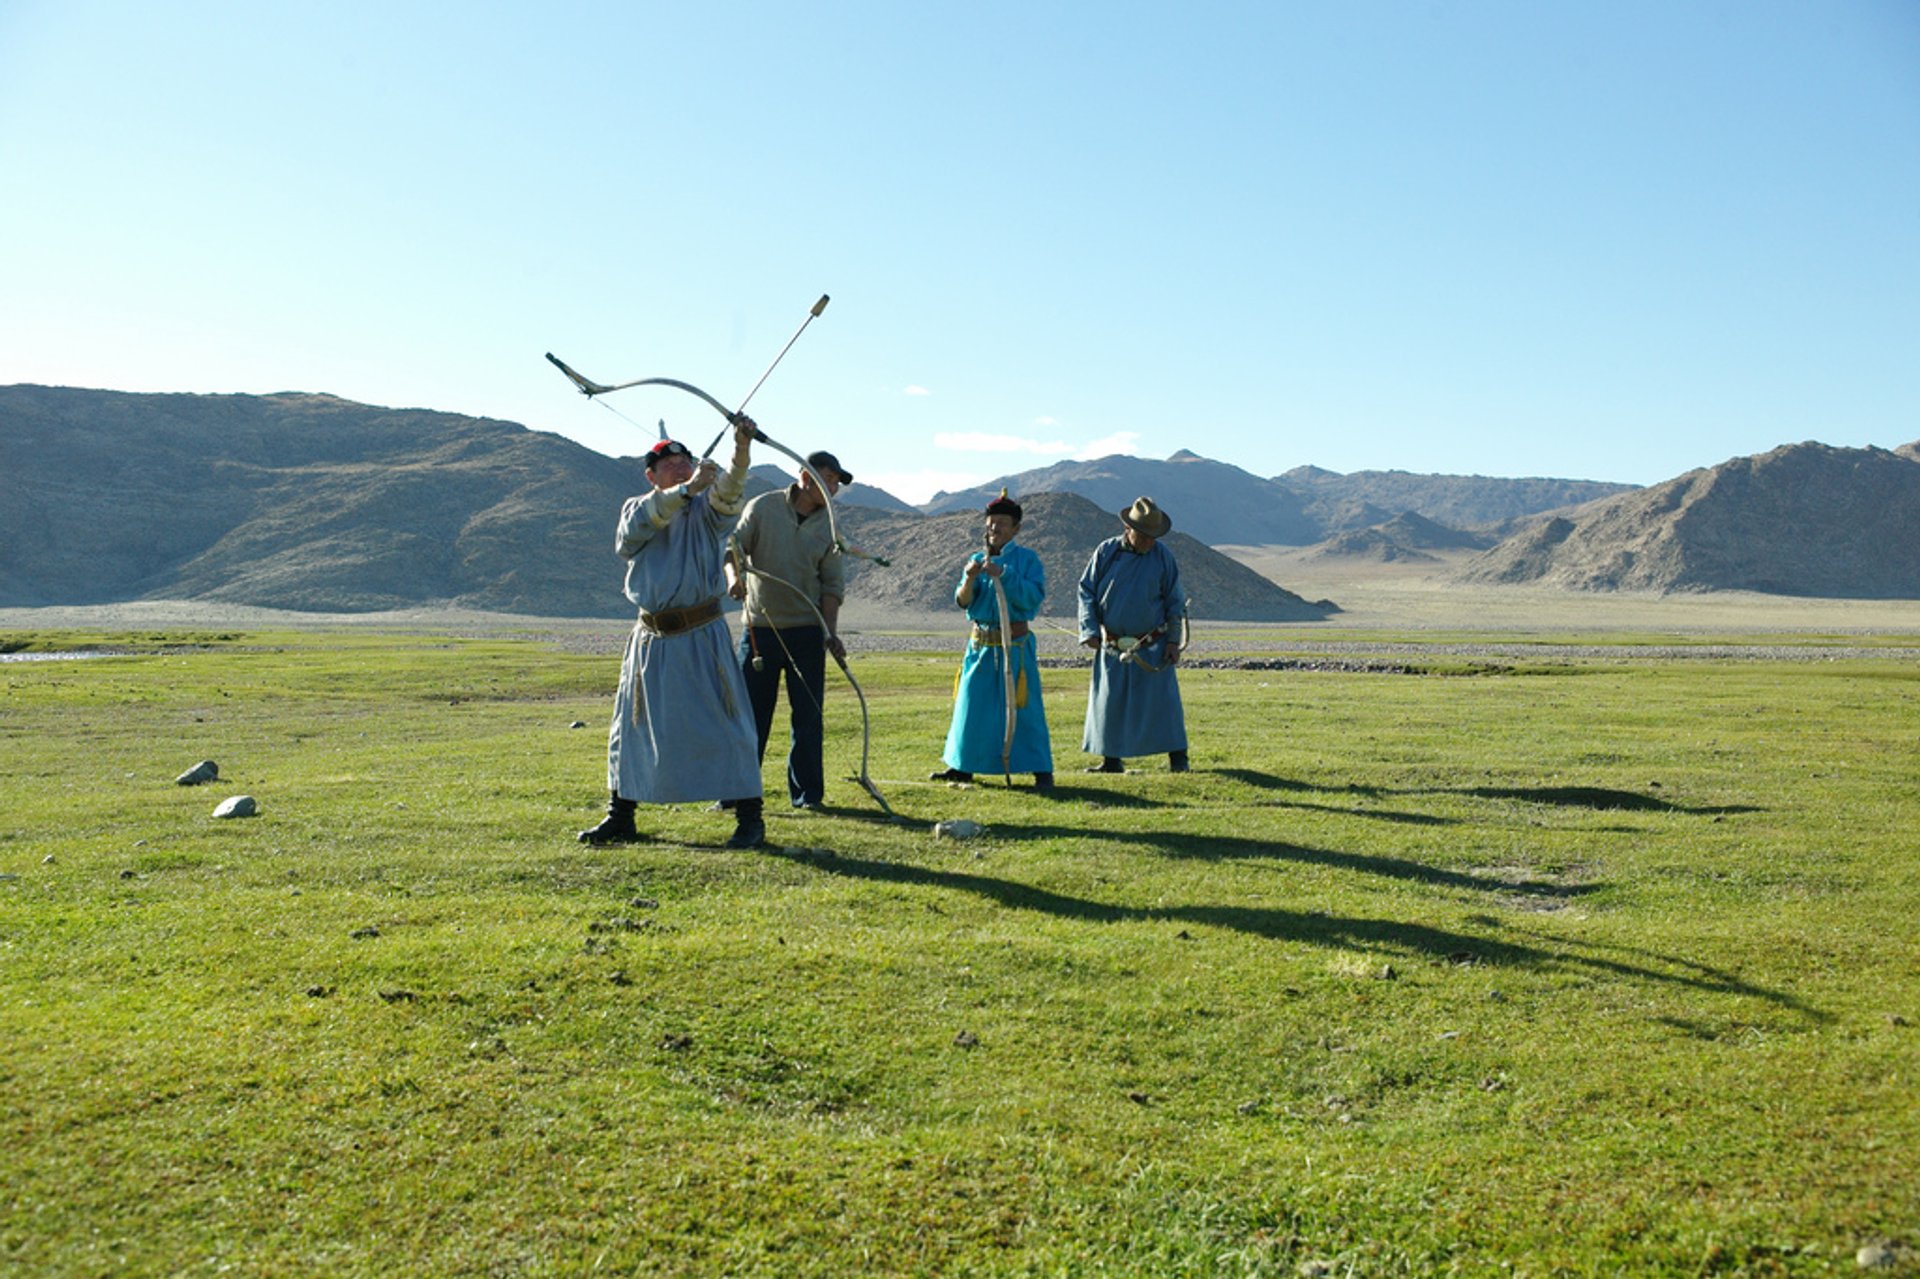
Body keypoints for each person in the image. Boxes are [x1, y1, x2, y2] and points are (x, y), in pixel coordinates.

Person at [578, 418, 766, 849]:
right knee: (632, 725)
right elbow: (633, 534)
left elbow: (731, 491)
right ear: (652, 476)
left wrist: (741, 449)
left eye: (685, 463)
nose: (680, 469)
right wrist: (686, 490)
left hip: (703, 634)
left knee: (731, 723)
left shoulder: (709, 510)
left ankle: (750, 819)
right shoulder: (638, 508)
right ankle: (620, 815)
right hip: (651, 639)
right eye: (670, 466)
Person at [722, 450, 852, 810]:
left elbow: (831, 586)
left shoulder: (830, 526)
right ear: (805, 477)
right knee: (749, 717)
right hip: (759, 630)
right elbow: (733, 547)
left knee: (808, 717)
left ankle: (808, 796)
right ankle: (736, 793)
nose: (833, 487)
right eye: (828, 479)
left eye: (837, 482)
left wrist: (830, 633)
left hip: (807, 633)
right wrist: (734, 580)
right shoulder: (762, 507)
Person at [931, 490, 1055, 789]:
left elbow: (1033, 597)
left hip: (1015, 647)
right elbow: (962, 601)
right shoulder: (975, 559)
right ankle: (962, 765)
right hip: (980, 646)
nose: (994, 529)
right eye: (990, 523)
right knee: (971, 705)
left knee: (1022, 708)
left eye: (1001, 523)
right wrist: (971, 577)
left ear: (1016, 529)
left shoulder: (1027, 560)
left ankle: (1040, 769)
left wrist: (1005, 575)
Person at [1078, 496, 1190, 774]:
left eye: (1154, 536)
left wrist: (1174, 641)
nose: (1149, 542)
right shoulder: (1106, 553)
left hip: (1152, 643)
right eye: (1144, 535)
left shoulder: (1163, 556)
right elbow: (1087, 592)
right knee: (1109, 701)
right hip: (1113, 643)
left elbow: (1174, 602)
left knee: (1164, 704)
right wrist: (1090, 629)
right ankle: (1111, 761)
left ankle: (1179, 760)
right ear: (1128, 529)